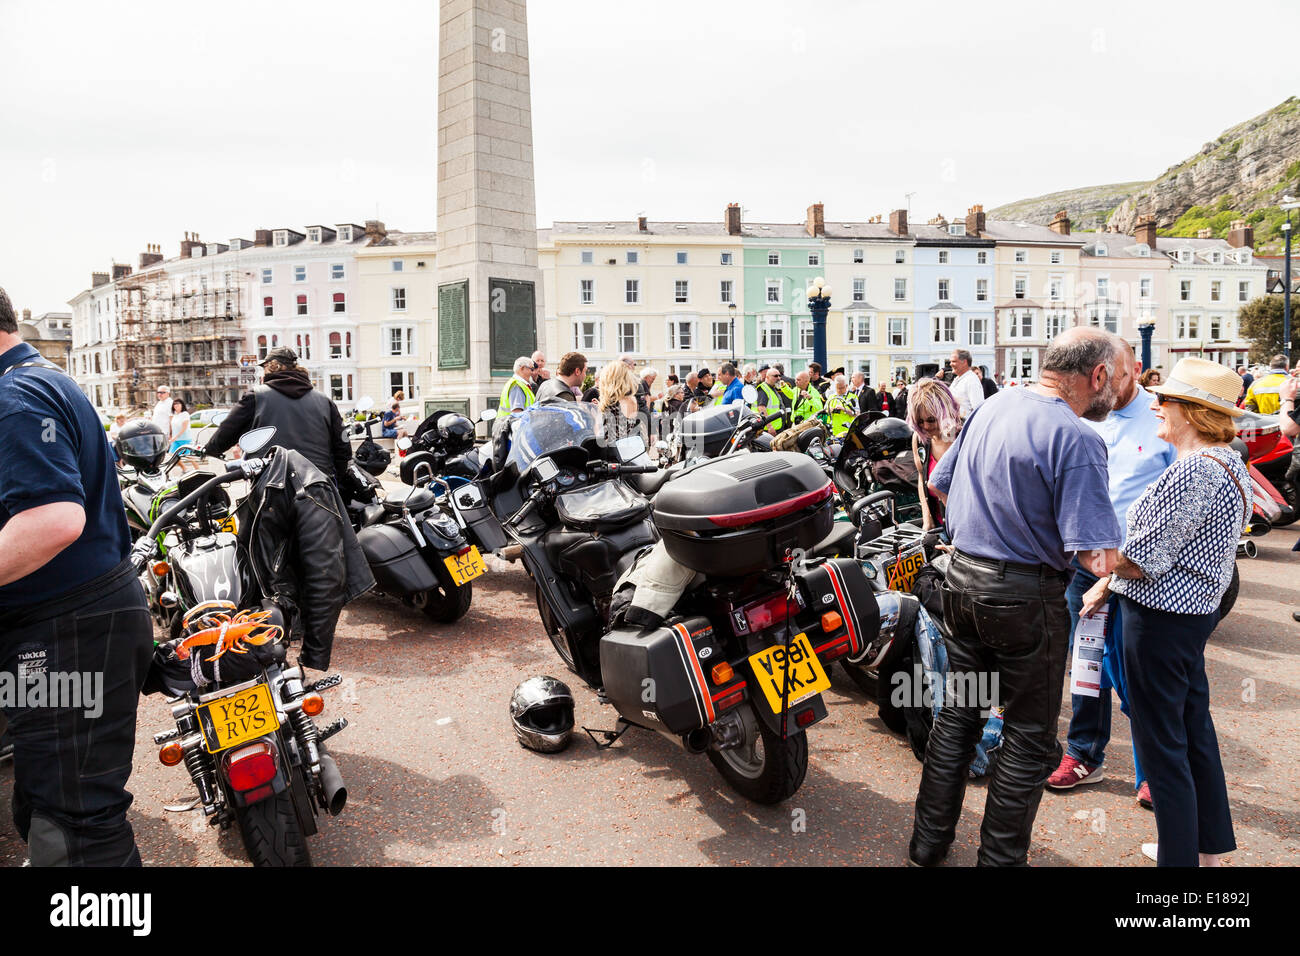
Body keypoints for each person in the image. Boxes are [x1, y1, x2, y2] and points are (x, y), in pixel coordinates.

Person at [910, 327, 1127, 867]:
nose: (1119, 390)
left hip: (961, 585)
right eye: (1117, 378)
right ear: (1096, 375)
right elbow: (1093, 556)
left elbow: (940, 482)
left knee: (958, 718)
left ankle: (926, 847)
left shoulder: (993, 405)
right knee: (1029, 738)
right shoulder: (1077, 438)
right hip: (1023, 600)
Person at [0, 286, 153, 865]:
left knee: (74, 824)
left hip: (67, 634)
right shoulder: (41, 380)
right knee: (49, 800)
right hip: (80, 625)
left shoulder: (14, 398)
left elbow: (54, 519)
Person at [1079, 358, 1249, 867]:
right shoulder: (1226, 462)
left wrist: (1096, 567)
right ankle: (1204, 849)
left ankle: (1181, 861)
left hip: (1159, 621)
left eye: (1167, 400)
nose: (1156, 404)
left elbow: (1142, 557)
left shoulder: (1194, 469)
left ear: (1193, 413)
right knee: (1192, 732)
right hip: (1186, 617)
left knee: (1162, 745)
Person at [1046, 356, 1176, 810]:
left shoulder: (1162, 417)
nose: (1104, 385)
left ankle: (1152, 771)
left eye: (1114, 375)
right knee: (1086, 667)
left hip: (1140, 572)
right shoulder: (1080, 416)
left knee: (1140, 675)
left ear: (1134, 369)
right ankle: (1084, 754)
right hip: (1086, 564)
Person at [202, 346, 352, 485]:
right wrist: (334, 478)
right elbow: (343, 447)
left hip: (272, 485)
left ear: (273, 366)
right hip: (319, 484)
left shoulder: (256, 396)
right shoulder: (324, 401)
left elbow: (227, 432)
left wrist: (209, 449)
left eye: (264, 368)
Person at [904, 378, 961, 528]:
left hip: (965, 526)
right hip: (939, 524)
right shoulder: (920, 440)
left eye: (931, 420)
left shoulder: (962, 437)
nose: (926, 427)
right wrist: (927, 518)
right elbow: (922, 478)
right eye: (920, 421)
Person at [597, 360, 640, 441]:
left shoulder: (611, 402)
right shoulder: (632, 399)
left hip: (611, 450)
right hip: (626, 449)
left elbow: (603, 434)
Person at [948, 349, 984, 420]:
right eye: (950, 361)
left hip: (964, 427)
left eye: (954, 361)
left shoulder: (971, 380)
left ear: (964, 362)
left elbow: (978, 409)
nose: (950, 364)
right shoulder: (958, 379)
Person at [755, 366, 790, 432]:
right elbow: (761, 408)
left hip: (776, 427)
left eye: (779, 376)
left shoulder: (772, 388)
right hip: (767, 430)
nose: (779, 378)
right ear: (767, 377)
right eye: (775, 376)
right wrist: (769, 427)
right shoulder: (763, 389)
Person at [169, 398, 196, 472]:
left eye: (178, 403)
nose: (176, 405)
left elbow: (184, 427)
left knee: (189, 456)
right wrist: (171, 436)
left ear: (182, 405)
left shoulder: (185, 414)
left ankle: (198, 470)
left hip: (185, 439)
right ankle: (184, 469)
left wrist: (175, 437)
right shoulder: (174, 415)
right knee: (172, 455)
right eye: (174, 404)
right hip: (175, 440)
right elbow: (172, 427)